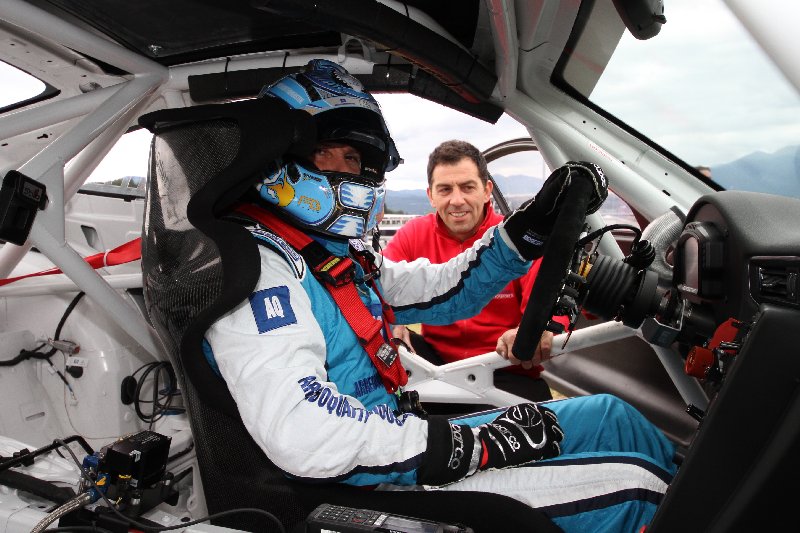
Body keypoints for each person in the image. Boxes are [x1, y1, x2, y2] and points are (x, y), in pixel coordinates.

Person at [203, 59, 676, 533]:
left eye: (354, 159)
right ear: (279, 154)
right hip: (372, 485)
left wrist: (530, 226)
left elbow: (444, 287)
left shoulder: (334, 254)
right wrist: (477, 444)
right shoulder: (260, 268)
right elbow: (302, 431)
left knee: (614, 417)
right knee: (642, 491)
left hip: (403, 439)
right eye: (326, 153)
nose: (346, 171)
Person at [383, 140, 568, 402]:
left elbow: (548, 308)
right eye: (445, 189)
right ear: (431, 196)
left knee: (545, 417)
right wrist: (392, 324)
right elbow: (373, 289)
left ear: (486, 191)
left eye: (467, 187)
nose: (457, 200)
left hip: (503, 366)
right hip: (436, 365)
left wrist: (535, 330)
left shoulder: (515, 241)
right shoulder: (413, 234)